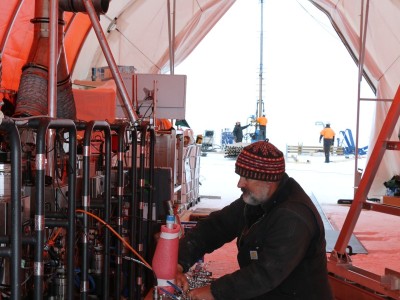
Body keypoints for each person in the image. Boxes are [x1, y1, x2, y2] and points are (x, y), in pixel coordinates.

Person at [176, 140, 334, 300]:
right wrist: (179, 261)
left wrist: (214, 291)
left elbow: (266, 273)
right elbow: (215, 227)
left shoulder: (293, 217)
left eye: (247, 178)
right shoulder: (258, 199)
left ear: (268, 180)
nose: (239, 184)